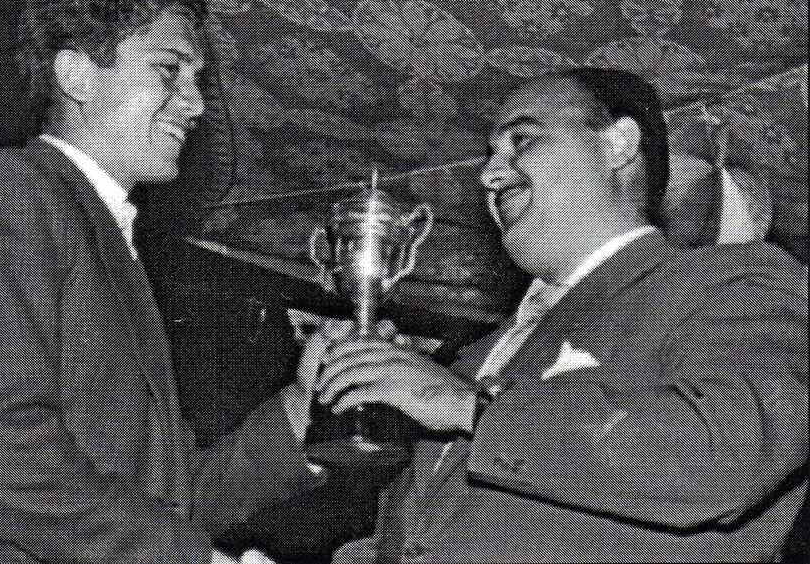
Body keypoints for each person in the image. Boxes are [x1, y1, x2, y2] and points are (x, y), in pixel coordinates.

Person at [0, 0, 327, 564]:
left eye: (196, 78)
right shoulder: (4, 189)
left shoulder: (107, 237)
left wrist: (301, 408)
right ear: (77, 75)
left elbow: (164, 502)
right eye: (170, 71)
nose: (194, 103)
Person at [319, 68, 808, 563]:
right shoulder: (481, 358)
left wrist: (470, 407)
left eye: (522, 141)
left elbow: (724, 455)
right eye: (490, 155)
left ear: (618, 144)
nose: (489, 175)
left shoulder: (739, 281)